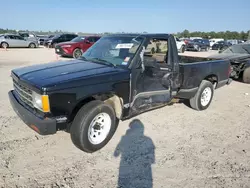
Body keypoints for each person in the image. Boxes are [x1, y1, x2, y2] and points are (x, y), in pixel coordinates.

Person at [114, 119, 155, 188]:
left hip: (126, 171)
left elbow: (116, 154)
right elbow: (152, 160)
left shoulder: (125, 138)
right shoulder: (148, 140)